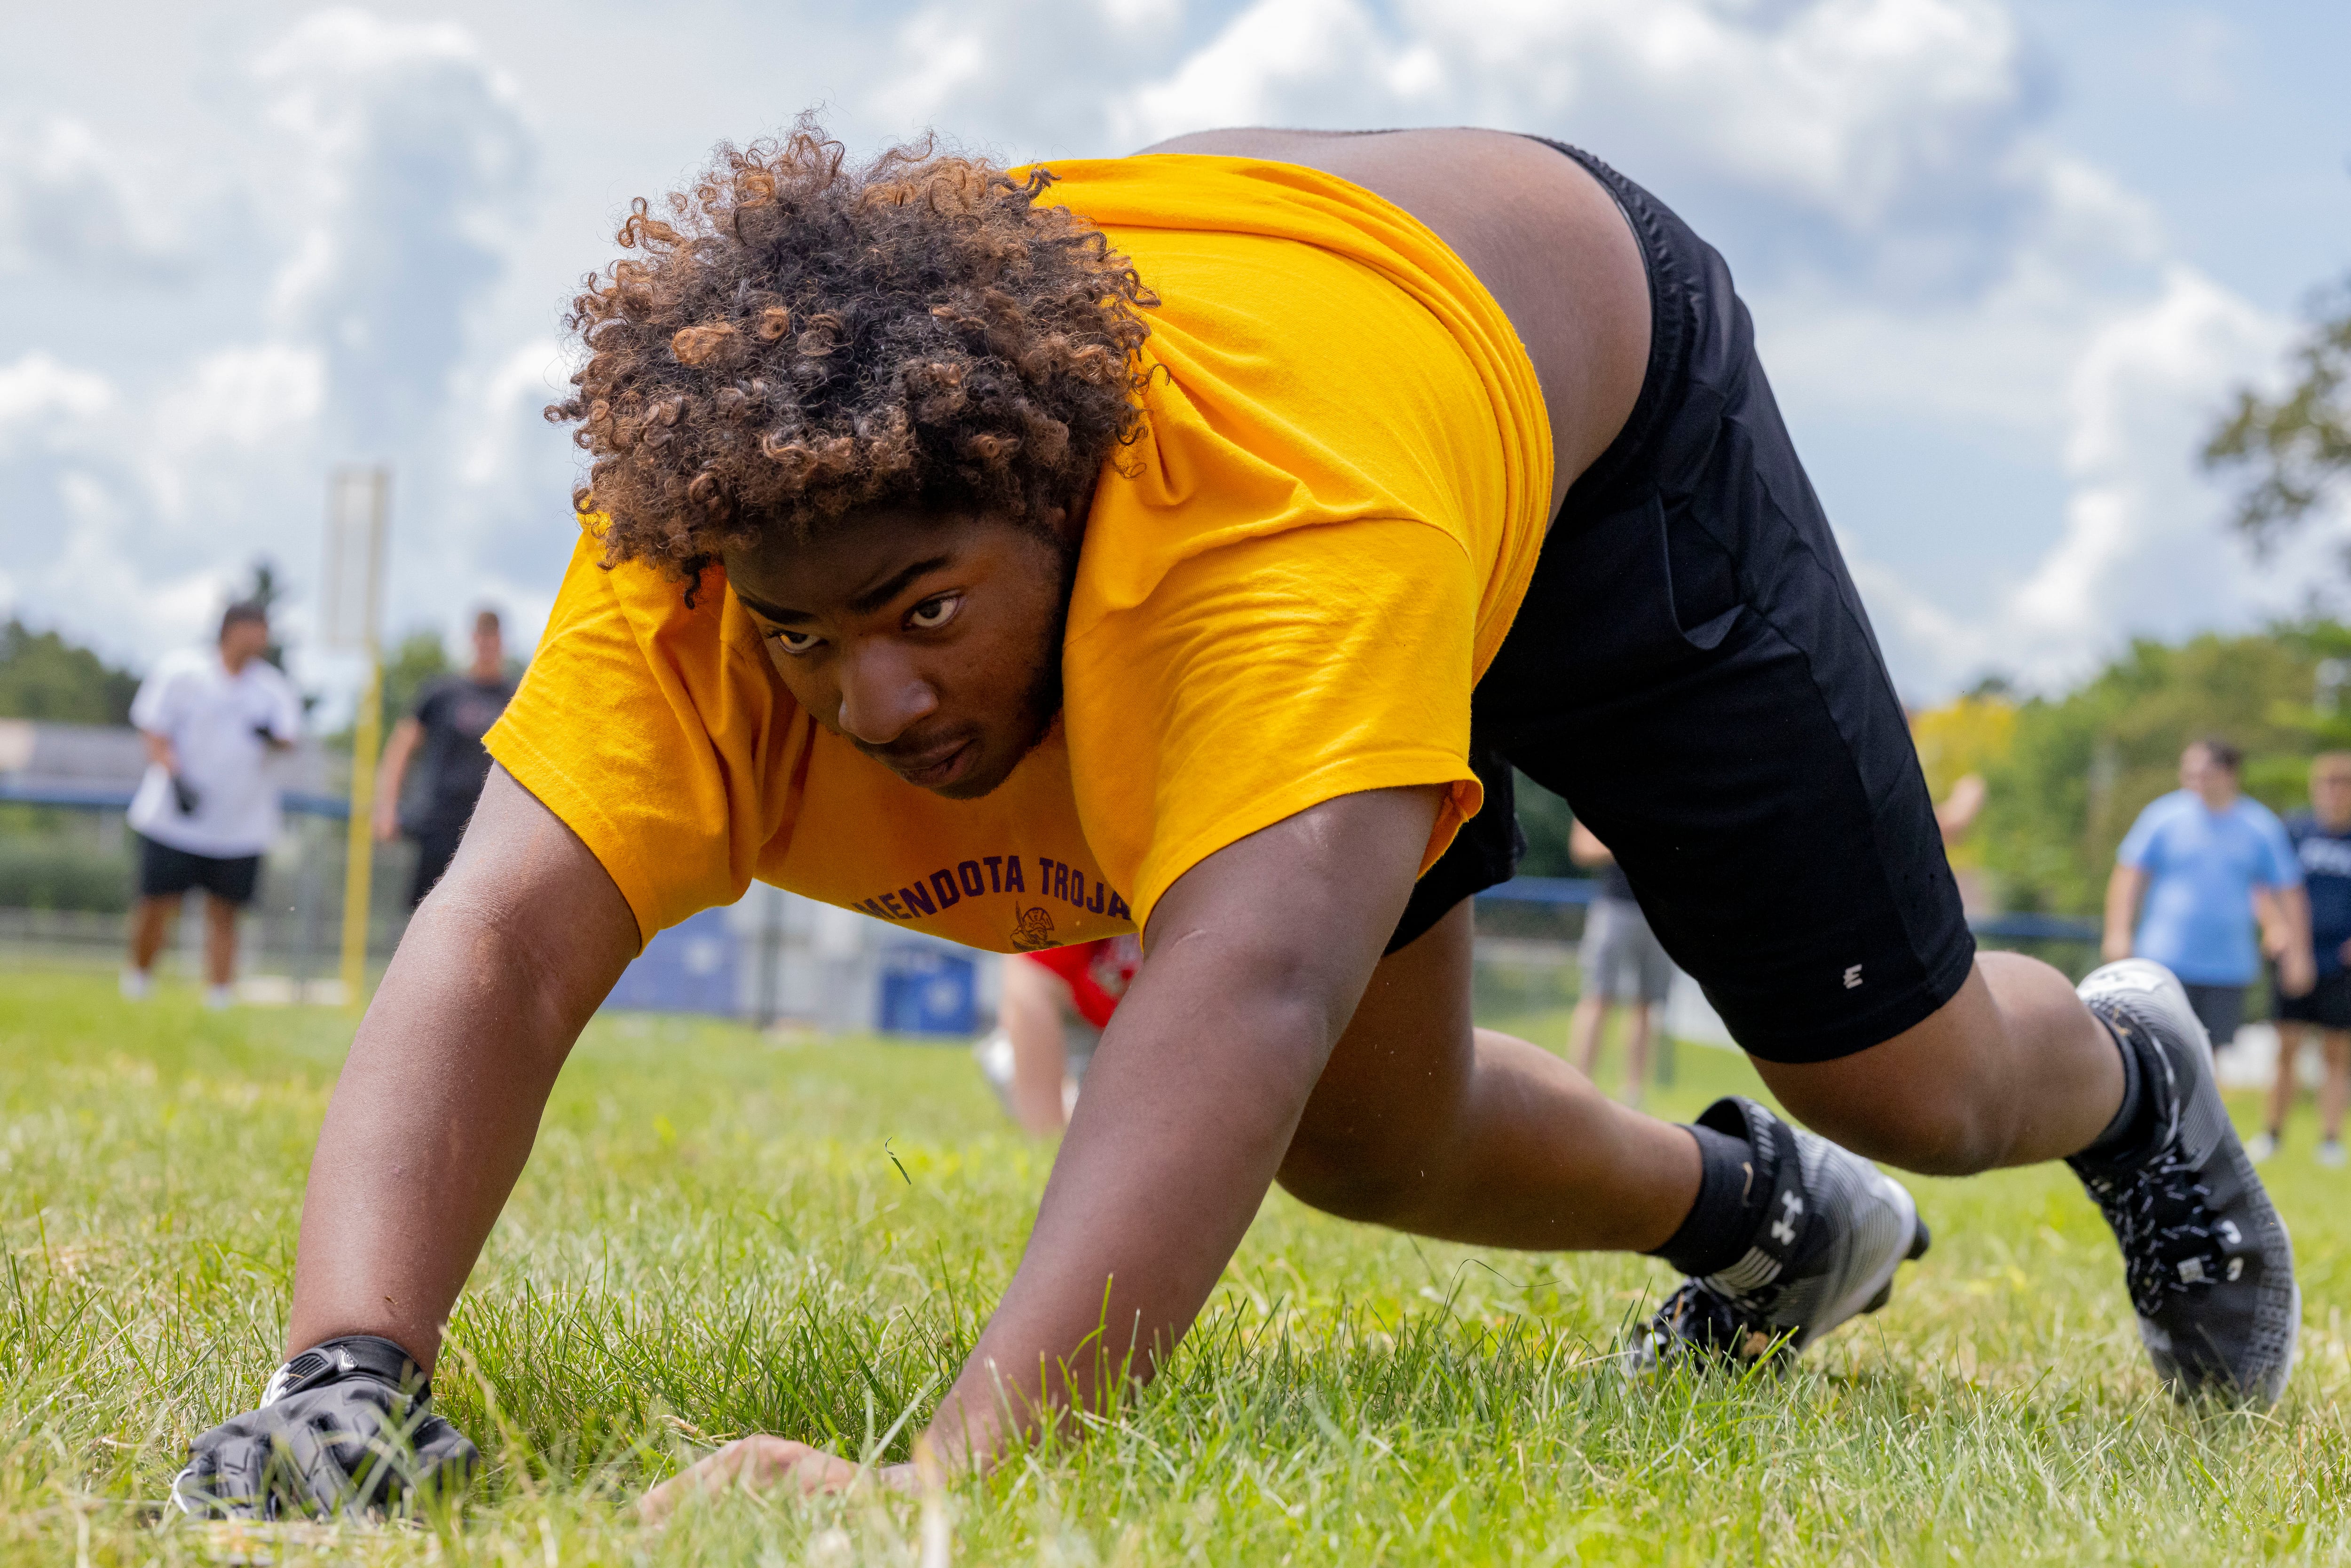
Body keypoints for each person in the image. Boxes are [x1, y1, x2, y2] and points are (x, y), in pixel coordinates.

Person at [175, 124, 2303, 1522]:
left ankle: (2130, 1074)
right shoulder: (713, 546)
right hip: (1336, 380)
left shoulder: (1261, 546)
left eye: (931, 613)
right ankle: (1771, 1229)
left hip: (1596, 424)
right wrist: (343, 1381)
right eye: (813, 640)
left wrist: (944, 1487)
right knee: (1370, 1147)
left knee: (1910, 1077)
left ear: (1077, 506)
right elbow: (496, 942)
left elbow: (1246, 982)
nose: (878, 697)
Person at [120, 602, 300, 1009]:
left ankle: (219, 996)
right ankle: (138, 982)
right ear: (231, 630)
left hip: (239, 824)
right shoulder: (181, 673)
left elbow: (290, 738)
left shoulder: (272, 688)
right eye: (254, 629)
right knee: (157, 905)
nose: (261, 639)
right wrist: (175, 777)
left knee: (226, 913)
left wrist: (270, 736)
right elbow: (154, 730)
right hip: (174, 819)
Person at [2103, 739, 2312, 1053]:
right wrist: (2117, 932)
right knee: (2155, 1047)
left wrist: (2299, 954)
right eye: (2188, 772)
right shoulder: (2162, 816)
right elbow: (2129, 875)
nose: (2193, 780)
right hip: (2164, 959)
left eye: (2203, 772)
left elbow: (2289, 892)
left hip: (2228, 965)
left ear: (2230, 774)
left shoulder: (2260, 826)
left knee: (2210, 1056)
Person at [372, 610, 516, 907]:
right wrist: (386, 807)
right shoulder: (442, 693)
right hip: (438, 823)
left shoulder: (517, 697)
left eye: (494, 637)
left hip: (491, 826)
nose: (488, 644)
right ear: (473, 639)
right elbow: (401, 749)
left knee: (483, 915)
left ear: (502, 642)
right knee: (428, 912)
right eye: (483, 636)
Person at [2252, 751, 2351, 1166]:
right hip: (2296, 956)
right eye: (2327, 783)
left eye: (2342, 783)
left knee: (2338, 1051)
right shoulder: (2294, 831)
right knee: (2286, 1047)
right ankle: (2272, 1134)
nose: (2334, 791)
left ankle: (2330, 1139)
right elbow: (2261, 883)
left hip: (2342, 961)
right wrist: (2275, 926)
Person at [975, 936, 1143, 1135]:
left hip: (1147, 1033)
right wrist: (1047, 1128)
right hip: (1088, 1028)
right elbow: (1029, 976)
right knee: (1006, 1061)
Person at [1566, 821, 1671, 1107]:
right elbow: (1582, 850)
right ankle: (1578, 1088)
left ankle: (1634, 1098)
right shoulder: (1602, 790)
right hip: (1614, 909)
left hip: (1660, 911)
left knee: (1646, 1005)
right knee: (1598, 997)